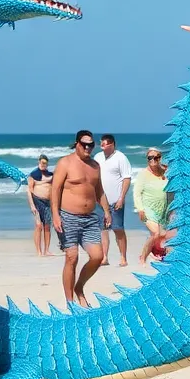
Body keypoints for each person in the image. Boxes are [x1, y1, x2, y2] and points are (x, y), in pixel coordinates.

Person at [51, 130, 110, 306]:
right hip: (67, 217)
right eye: (84, 144)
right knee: (72, 257)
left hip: (90, 219)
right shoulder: (65, 163)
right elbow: (55, 190)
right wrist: (55, 215)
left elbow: (98, 191)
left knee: (98, 256)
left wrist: (106, 210)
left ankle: (79, 288)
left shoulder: (95, 166)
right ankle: (71, 303)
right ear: (76, 144)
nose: (87, 147)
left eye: (90, 144)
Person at [95, 134, 132, 267]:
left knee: (118, 229)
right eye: (101, 144)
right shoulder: (98, 157)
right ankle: (104, 257)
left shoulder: (120, 157)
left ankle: (123, 257)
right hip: (100, 201)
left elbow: (126, 178)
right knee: (103, 229)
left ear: (112, 144)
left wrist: (121, 198)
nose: (102, 146)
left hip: (116, 201)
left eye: (104, 144)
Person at [132, 148, 169, 264]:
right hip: (148, 209)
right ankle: (142, 257)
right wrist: (140, 209)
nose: (153, 160)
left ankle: (157, 252)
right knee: (155, 233)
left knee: (163, 235)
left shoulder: (165, 171)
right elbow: (137, 193)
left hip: (163, 208)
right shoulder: (143, 174)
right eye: (150, 158)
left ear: (160, 158)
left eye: (156, 157)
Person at [27, 155, 54, 257]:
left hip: (48, 203)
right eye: (42, 163)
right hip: (37, 201)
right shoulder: (33, 175)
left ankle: (46, 250)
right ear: (39, 162)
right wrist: (32, 205)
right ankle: (38, 251)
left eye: (45, 163)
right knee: (39, 226)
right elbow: (29, 191)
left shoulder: (50, 175)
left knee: (47, 226)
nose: (44, 165)